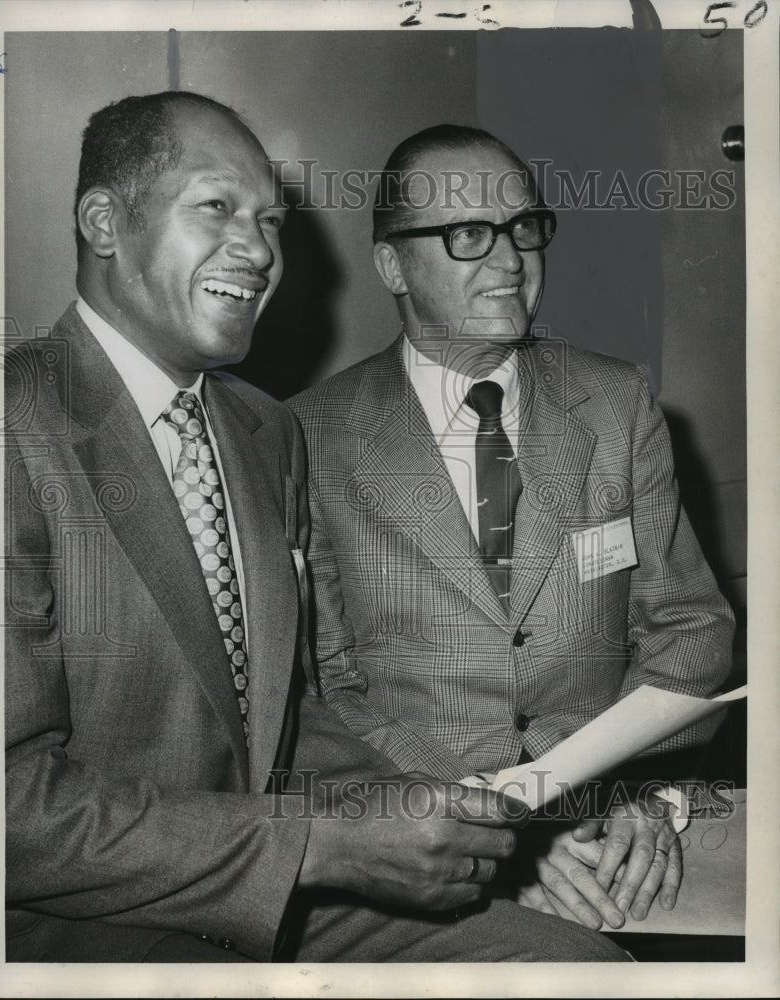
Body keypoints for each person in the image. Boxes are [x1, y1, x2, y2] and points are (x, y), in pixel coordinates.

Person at [4, 95, 628, 964]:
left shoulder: (264, 433)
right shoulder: (14, 421)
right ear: (105, 222)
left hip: (276, 894)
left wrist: (469, 826)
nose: (259, 250)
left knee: (578, 968)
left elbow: (285, 720)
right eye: (217, 208)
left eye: (269, 220)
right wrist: (321, 845)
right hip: (74, 933)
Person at [290, 124, 735, 930]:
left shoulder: (614, 404)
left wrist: (636, 794)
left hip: (609, 834)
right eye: (467, 235)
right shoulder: (305, 438)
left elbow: (690, 630)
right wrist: (492, 832)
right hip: (417, 843)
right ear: (393, 264)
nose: (509, 261)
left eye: (524, 227)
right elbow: (324, 691)